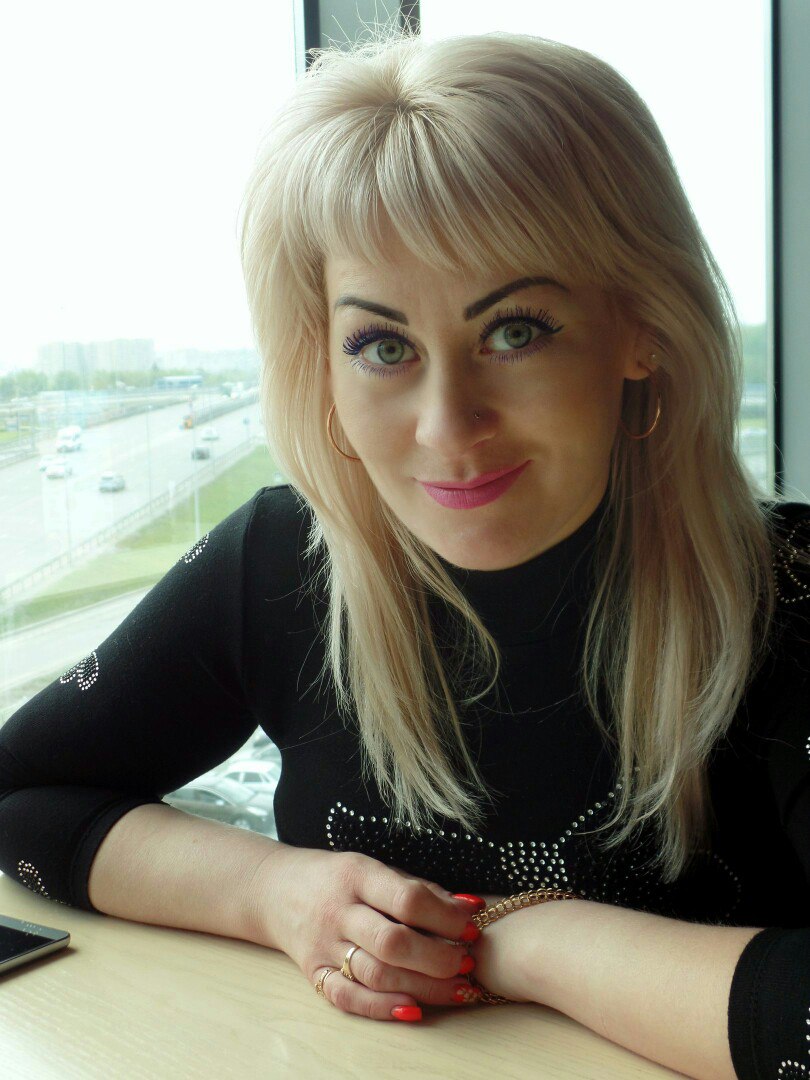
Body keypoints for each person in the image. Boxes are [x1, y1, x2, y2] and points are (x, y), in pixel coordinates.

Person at [1, 21, 808, 1080]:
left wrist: (525, 942)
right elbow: (24, 797)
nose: (446, 425)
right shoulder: (287, 561)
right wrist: (280, 894)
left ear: (641, 328)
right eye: (384, 346)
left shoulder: (789, 600)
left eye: (515, 331)